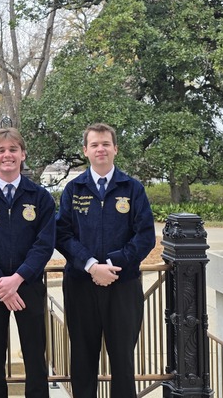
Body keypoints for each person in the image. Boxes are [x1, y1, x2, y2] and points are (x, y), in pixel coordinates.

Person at [55, 123, 155, 398]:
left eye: (106, 144)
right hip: (80, 285)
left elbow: (145, 235)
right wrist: (90, 265)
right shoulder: (73, 189)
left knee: (123, 359)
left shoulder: (132, 189)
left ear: (115, 149)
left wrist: (113, 264)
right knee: (83, 358)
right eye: (95, 144)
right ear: (85, 150)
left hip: (122, 284)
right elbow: (62, 234)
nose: (101, 149)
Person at [0, 127, 55, 398]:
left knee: (35, 356)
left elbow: (44, 244)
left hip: (27, 285)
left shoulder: (40, 197)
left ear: (23, 154)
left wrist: (17, 279)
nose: (7, 155)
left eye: (13, 149)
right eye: (1, 150)